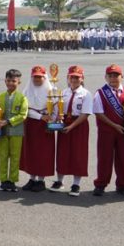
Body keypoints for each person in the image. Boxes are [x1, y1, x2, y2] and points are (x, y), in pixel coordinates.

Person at [92, 64, 124, 197]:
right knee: (104, 158)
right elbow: (99, 113)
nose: (113, 78)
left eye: (116, 75)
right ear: (105, 77)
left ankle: (123, 185)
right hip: (107, 131)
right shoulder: (100, 93)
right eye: (110, 76)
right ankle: (101, 184)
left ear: (122, 77)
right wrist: (114, 125)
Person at [51, 65, 93, 196]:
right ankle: (59, 181)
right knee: (62, 152)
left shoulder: (86, 94)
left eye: (77, 77)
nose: (74, 80)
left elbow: (85, 114)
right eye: (72, 77)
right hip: (64, 124)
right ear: (68, 78)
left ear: (82, 78)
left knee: (78, 154)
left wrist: (72, 126)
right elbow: (58, 111)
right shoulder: (63, 92)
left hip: (78, 125)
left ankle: (76, 184)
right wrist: (55, 121)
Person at [20, 65, 55, 193]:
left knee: (43, 153)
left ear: (44, 77)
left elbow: (55, 108)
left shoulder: (51, 90)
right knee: (31, 151)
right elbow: (25, 109)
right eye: (35, 77)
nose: (37, 79)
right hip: (30, 124)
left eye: (40, 77)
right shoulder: (26, 90)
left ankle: (41, 180)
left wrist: (51, 119)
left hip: (44, 125)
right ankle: (32, 178)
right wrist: (40, 116)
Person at [0, 69, 28, 192]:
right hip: (3, 132)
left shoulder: (22, 98)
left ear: (19, 82)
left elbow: (23, 115)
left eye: (13, 81)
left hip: (16, 132)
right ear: (5, 81)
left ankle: (13, 180)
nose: (10, 83)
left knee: (15, 157)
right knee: (3, 156)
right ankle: (3, 180)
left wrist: (8, 121)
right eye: (8, 80)